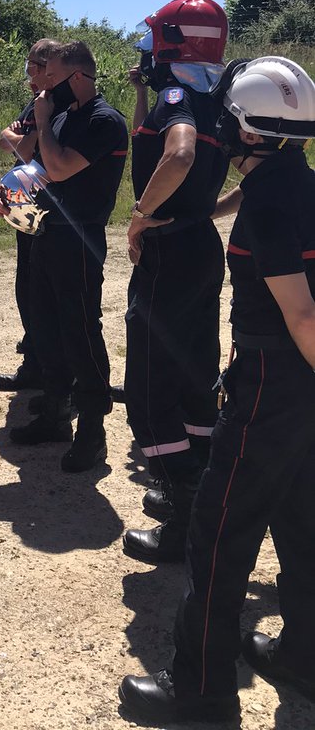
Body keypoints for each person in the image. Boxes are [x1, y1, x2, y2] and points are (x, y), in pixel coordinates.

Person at [119, 56, 315, 724]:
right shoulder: (301, 186)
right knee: (300, 518)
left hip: (272, 380)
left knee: (219, 529)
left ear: (243, 132)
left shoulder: (263, 210)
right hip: (301, 390)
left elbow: (302, 315)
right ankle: (304, 657)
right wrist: (201, 206)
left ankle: (199, 685)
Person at [121, 0, 230, 564]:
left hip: (168, 253)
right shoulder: (220, 100)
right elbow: (245, 178)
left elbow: (180, 155)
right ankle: (201, 495)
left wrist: (141, 214)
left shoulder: (179, 97)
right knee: (194, 371)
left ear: (173, 42)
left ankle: (182, 506)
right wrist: (206, 212)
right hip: (199, 248)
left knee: (147, 378)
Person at [0, 41, 128, 472]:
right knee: (45, 327)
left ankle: (93, 432)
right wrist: (9, 193)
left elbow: (62, 165)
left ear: (78, 77)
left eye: (51, 79)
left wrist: (44, 122)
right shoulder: (64, 116)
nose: (43, 88)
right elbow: (39, 168)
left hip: (81, 240)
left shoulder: (104, 121)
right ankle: (54, 415)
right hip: (47, 232)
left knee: (81, 331)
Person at [0, 38, 61, 393]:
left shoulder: (53, 106)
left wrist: (14, 136)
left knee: (41, 289)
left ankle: (43, 367)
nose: (30, 74)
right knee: (27, 284)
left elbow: (26, 146)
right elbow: (4, 142)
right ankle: (35, 355)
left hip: (48, 209)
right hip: (26, 206)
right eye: (29, 66)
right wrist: (12, 136)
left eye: (35, 67)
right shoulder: (35, 103)